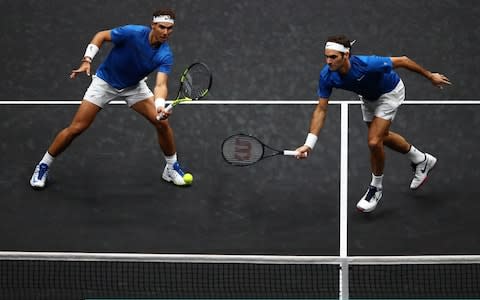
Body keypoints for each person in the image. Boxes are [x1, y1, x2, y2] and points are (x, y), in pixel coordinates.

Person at [30, 8, 192, 189]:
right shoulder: (132, 32)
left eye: (170, 29)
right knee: (76, 128)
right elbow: (101, 36)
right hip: (105, 82)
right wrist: (87, 59)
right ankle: (43, 165)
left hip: (134, 86)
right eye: (162, 27)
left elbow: (161, 85)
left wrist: (160, 105)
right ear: (153, 25)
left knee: (162, 123)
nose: (166, 32)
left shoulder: (165, 54)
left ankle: (171, 168)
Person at [295, 35, 451, 213]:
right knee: (381, 137)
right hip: (369, 98)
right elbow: (321, 109)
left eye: (333, 57)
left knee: (374, 141)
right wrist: (309, 144)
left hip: (390, 93)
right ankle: (421, 160)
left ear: (346, 55)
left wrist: (431, 76)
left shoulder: (369, 64)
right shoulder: (327, 76)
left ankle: (376, 188)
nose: (328, 61)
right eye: (326, 56)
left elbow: (403, 60)